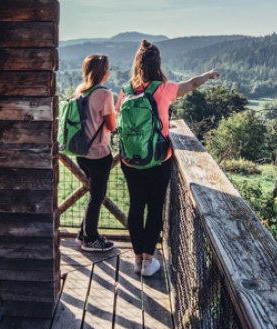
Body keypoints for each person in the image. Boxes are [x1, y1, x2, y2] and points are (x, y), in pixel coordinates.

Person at [118, 40, 218, 276]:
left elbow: (119, 119)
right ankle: (148, 261)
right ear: (157, 64)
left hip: (129, 159)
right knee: (154, 208)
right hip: (157, 160)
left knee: (136, 206)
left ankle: (136, 257)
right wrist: (208, 75)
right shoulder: (163, 89)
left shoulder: (126, 90)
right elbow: (192, 84)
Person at [73, 54, 117, 252]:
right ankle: (90, 239)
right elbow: (111, 125)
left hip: (81, 152)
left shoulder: (80, 91)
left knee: (93, 194)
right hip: (99, 152)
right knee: (97, 196)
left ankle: (83, 234)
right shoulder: (105, 94)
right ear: (103, 72)